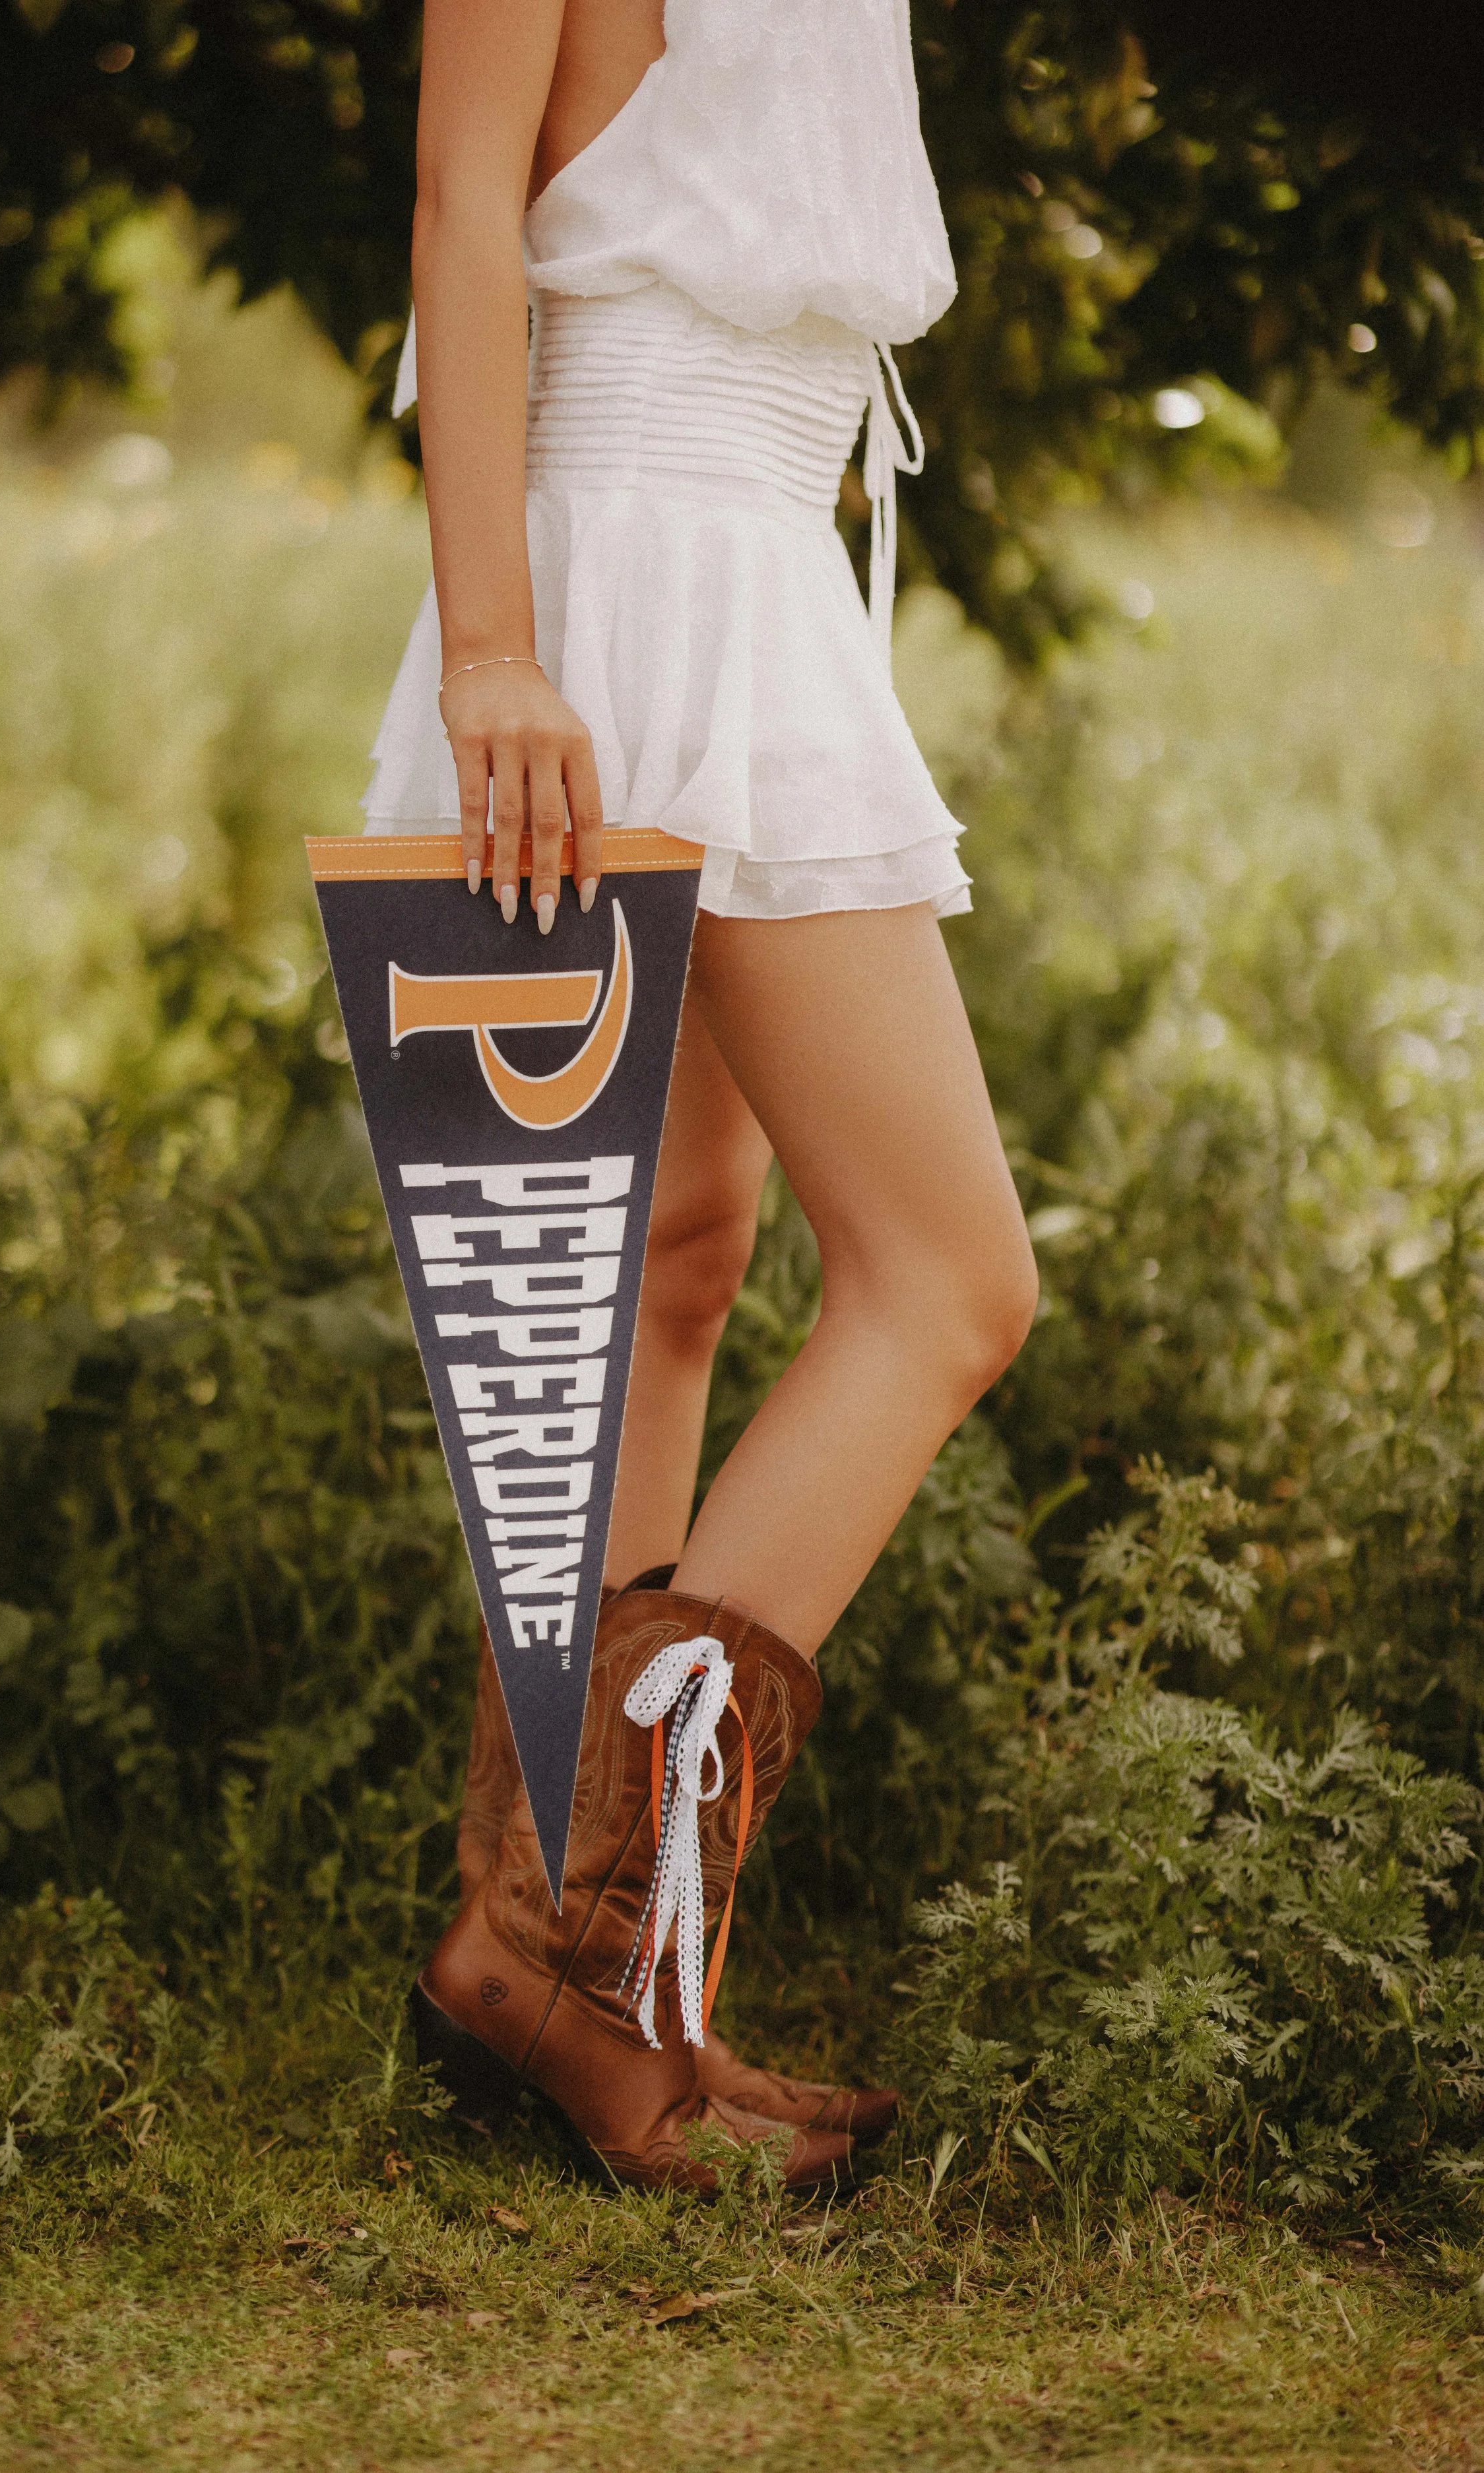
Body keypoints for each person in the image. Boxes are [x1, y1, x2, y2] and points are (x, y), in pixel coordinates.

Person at [365, 0, 1039, 2192]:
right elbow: (470, 204)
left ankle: (552, 1949)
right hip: (632, 573)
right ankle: (582, 1949)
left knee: (664, 1265)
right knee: (944, 1279)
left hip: (743, 546)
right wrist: (492, 645)